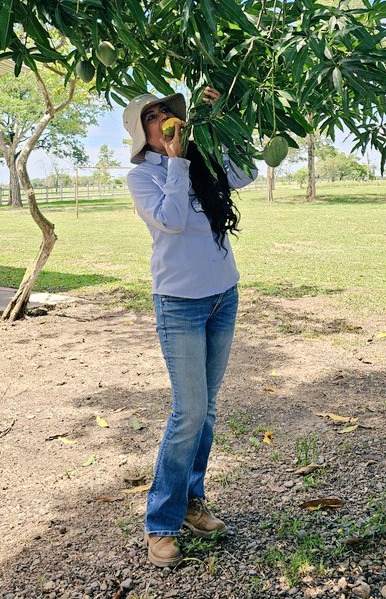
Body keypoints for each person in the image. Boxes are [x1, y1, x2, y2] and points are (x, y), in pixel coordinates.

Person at [122, 89, 257, 569]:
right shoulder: (143, 176)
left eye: (167, 112)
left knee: (208, 410)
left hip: (224, 294)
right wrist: (178, 164)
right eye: (152, 117)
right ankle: (161, 522)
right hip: (178, 303)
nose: (164, 120)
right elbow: (172, 222)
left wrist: (224, 120)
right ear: (144, 134)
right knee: (189, 412)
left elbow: (247, 172)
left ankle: (193, 501)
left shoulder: (202, 156)